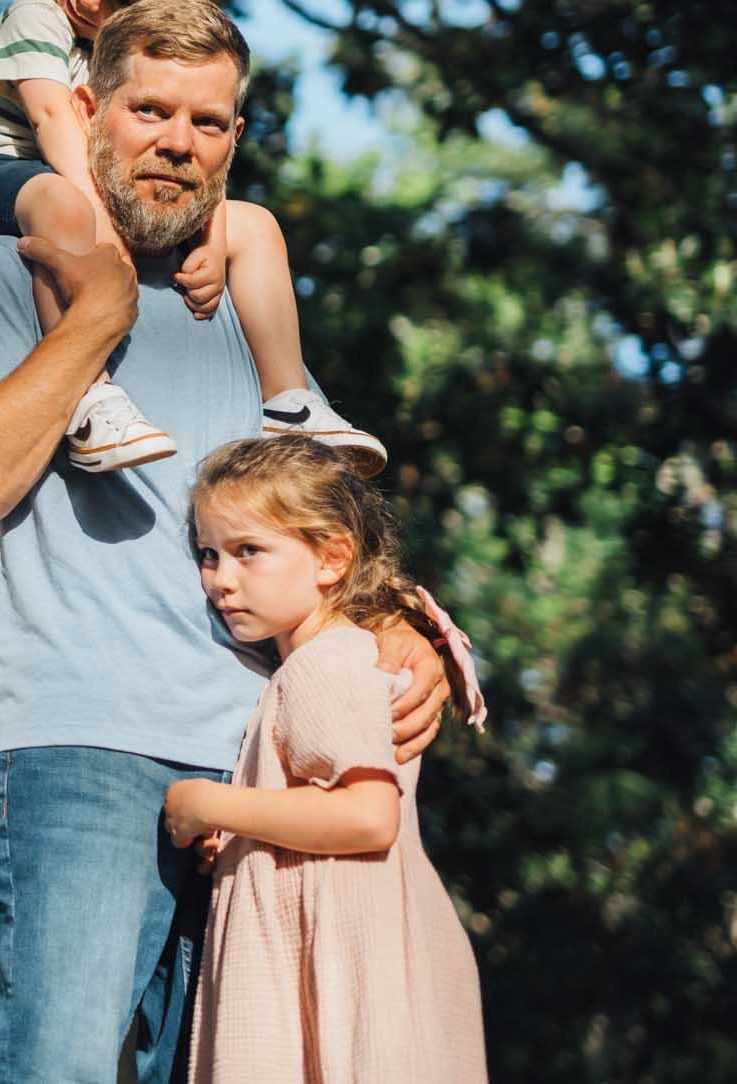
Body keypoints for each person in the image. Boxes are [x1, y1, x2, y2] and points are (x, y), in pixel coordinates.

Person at [0, 0, 454, 1083]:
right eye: (150, 111)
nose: (177, 144)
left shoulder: (246, 296)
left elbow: (313, 528)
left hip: (268, 771)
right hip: (79, 753)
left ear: (237, 138)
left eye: (208, 122)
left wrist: (406, 631)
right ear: (88, 110)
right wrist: (98, 308)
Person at [0, 0, 383, 475]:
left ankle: (289, 403)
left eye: (123, 0)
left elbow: (202, 147)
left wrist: (215, 234)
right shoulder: (34, 16)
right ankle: (89, 397)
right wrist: (105, 232)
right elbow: (53, 120)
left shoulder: (137, 48)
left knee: (257, 226)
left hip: (80, 176)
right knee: (63, 208)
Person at [164, 435, 487, 1084]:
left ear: (332, 557)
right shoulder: (324, 659)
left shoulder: (325, 662)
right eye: (208, 553)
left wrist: (204, 803)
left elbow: (368, 816)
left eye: (248, 551)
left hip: (342, 955)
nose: (220, 579)